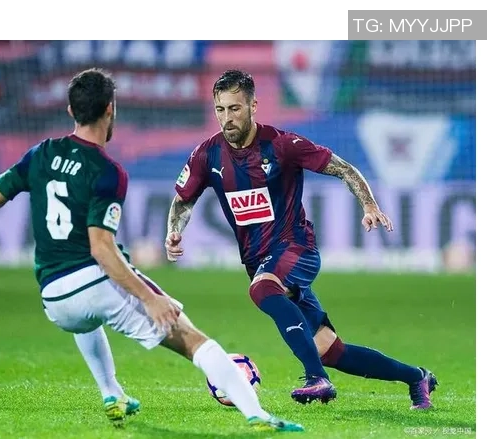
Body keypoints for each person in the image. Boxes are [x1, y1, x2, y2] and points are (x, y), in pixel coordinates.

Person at [0, 67, 303, 432]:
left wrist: (28, 175)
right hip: (93, 284)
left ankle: (111, 393)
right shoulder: (106, 171)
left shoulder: (41, 154)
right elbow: (101, 248)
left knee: (86, 319)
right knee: (192, 340)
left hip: (54, 299)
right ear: (110, 109)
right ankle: (259, 416)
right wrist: (150, 298)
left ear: (70, 110)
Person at [165, 69, 438, 410]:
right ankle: (417, 377)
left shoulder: (283, 145)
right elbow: (184, 199)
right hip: (259, 261)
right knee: (330, 349)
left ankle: (316, 379)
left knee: (263, 289)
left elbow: (344, 168)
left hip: (296, 249)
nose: (227, 118)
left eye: (235, 108)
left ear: (253, 106)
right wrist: (174, 230)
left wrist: (369, 205)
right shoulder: (207, 154)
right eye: (220, 109)